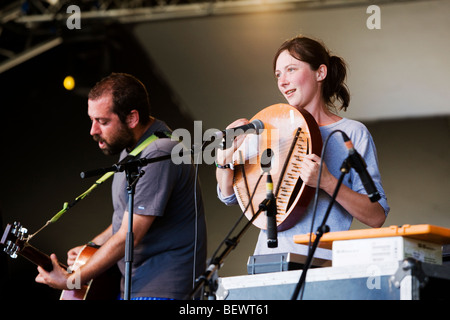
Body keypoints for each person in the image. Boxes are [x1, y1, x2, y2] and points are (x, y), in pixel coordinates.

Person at [36, 72, 207, 299]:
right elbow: (126, 219)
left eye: (103, 121)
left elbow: (129, 235)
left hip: (163, 289)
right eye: (92, 120)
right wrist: (92, 247)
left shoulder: (159, 151)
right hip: (136, 287)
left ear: (132, 118)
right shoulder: (132, 150)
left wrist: (71, 280)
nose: (93, 131)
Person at [216, 36, 389, 260]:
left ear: (320, 73)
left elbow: (377, 216)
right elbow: (229, 195)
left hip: (322, 267)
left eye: (291, 69)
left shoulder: (352, 133)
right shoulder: (266, 128)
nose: (282, 81)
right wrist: (223, 160)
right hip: (267, 262)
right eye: (278, 74)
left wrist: (327, 181)